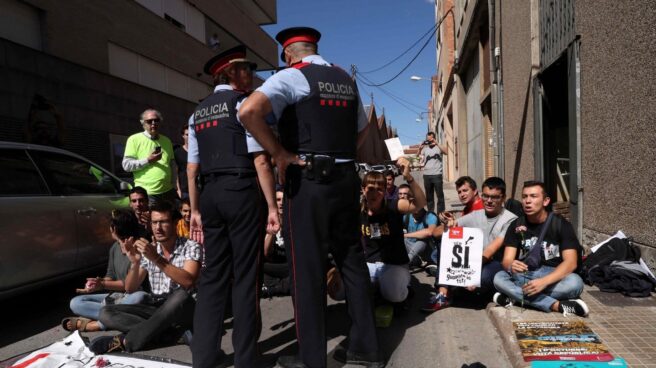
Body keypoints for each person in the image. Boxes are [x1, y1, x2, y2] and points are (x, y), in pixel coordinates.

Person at [239, 27, 383, 368]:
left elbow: (248, 112)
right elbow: (364, 129)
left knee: (306, 271)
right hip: (346, 182)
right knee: (352, 262)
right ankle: (367, 349)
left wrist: (279, 153)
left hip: (309, 184)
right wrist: (343, 158)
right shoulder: (345, 80)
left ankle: (311, 359)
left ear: (289, 55)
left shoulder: (293, 76)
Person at [187, 45, 279, 368]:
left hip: (209, 193)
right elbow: (261, 160)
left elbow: (191, 168)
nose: (252, 75)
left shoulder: (196, 113)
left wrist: (195, 209)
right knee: (246, 276)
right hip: (240, 190)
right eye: (247, 69)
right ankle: (245, 358)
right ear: (230, 74)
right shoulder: (242, 105)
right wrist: (272, 206)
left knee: (212, 276)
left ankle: (204, 356)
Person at [90, 201, 202, 354]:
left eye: (163, 222)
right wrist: (135, 263)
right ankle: (170, 334)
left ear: (176, 223)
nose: (158, 227)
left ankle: (127, 341)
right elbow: (130, 288)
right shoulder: (150, 250)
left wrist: (156, 258)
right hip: (157, 307)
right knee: (106, 313)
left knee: (180, 296)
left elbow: (188, 281)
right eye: (154, 222)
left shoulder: (191, 246)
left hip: (184, 308)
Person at [493, 181, 589, 317]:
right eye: (525, 196)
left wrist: (543, 282)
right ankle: (556, 305)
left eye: (533, 196)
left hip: (554, 277)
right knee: (498, 278)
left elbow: (571, 262)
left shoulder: (561, 224)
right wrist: (511, 265)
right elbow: (507, 260)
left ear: (545, 201)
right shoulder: (516, 224)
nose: (527, 201)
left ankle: (515, 298)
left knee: (575, 283)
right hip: (526, 274)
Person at [422, 177, 517, 312]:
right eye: (486, 196)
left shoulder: (510, 219)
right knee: (446, 239)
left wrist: (470, 273)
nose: (489, 201)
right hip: (473, 260)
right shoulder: (476, 214)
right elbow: (435, 233)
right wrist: (447, 227)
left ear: (503, 198)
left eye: (495, 197)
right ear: (482, 195)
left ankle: (465, 290)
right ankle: (444, 294)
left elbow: (490, 250)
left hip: (494, 263)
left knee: (482, 278)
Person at [62, 209, 150, 332]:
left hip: (133, 296)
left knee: (139, 297)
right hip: (119, 298)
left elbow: (129, 286)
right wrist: (97, 283)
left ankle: (97, 324)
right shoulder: (115, 248)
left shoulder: (140, 248)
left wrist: (103, 284)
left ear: (113, 229)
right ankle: (112, 318)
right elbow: (111, 275)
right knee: (76, 302)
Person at [361, 158, 426, 304]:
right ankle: (377, 289)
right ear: (363, 189)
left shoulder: (394, 206)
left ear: (385, 192)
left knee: (395, 295)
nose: (374, 193)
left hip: (394, 264)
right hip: (370, 264)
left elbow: (420, 203)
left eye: (379, 189)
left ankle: (404, 288)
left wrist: (409, 177)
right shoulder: (358, 211)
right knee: (340, 290)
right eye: (370, 188)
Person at [122, 109, 177, 206]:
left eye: (156, 120)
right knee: (151, 221)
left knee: (169, 220)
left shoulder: (167, 140)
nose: (153, 123)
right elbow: (126, 165)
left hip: (168, 191)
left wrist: (175, 186)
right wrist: (148, 160)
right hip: (148, 194)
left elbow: (172, 165)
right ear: (142, 123)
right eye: (149, 121)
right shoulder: (134, 139)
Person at [402, 183, 439, 268]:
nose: (415, 205)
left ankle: (407, 261)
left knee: (422, 241)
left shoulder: (430, 216)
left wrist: (405, 235)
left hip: (427, 250)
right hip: (411, 247)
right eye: (412, 202)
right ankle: (415, 260)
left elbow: (430, 232)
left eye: (418, 202)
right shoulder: (406, 216)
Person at [419, 132, 447, 213]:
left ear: (434, 138)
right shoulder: (425, 149)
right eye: (428, 139)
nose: (429, 140)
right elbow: (418, 157)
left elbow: (446, 152)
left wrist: (437, 143)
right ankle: (431, 213)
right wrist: (419, 149)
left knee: (440, 195)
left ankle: (441, 213)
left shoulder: (438, 147)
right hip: (427, 175)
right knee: (429, 196)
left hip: (437, 174)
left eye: (431, 139)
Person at [174, 124, 190, 200]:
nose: (190, 137)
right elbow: (175, 173)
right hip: (184, 190)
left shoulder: (198, 151)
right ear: (183, 136)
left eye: (192, 134)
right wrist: (178, 190)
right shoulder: (177, 152)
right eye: (187, 135)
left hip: (198, 189)